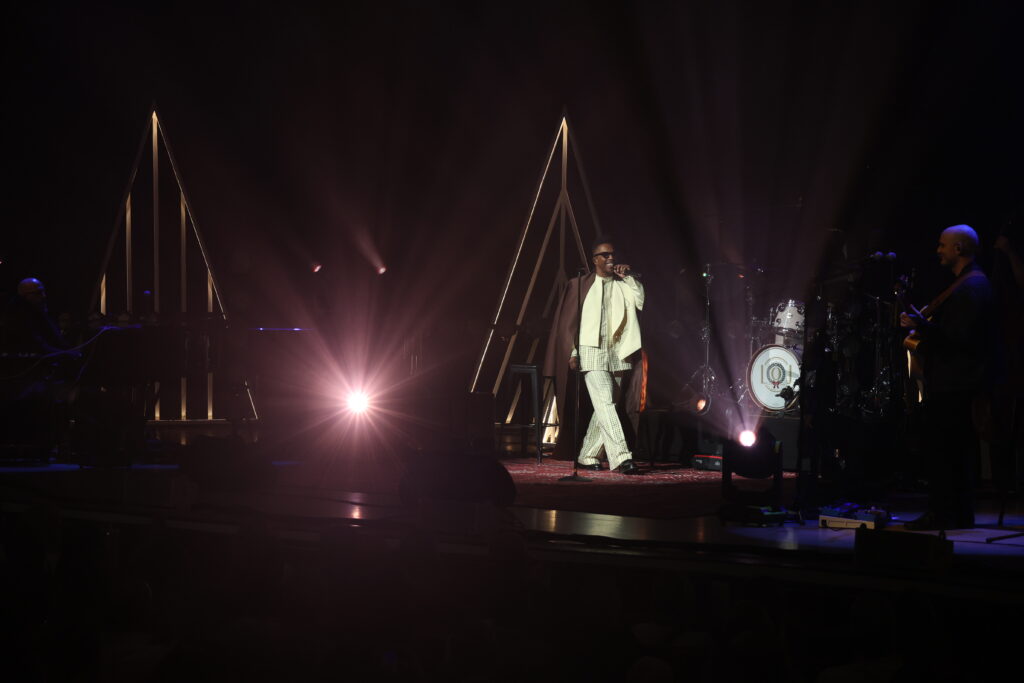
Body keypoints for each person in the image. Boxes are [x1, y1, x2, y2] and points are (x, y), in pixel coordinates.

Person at [900, 225, 996, 529]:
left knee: (945, 451)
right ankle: (958, 513)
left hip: (956, 383)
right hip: (958, 382)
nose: (938, 250)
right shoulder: (970, 283)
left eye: (943, 245)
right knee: (957, 451)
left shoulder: (970, 287)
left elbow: (957, 338)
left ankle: (943, 513)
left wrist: (921, 327)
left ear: (958, 249)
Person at [543, 237, 644, 474]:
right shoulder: (579, 285)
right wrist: (572, 351)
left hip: (618, 351)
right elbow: (568, 324)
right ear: (594, 260)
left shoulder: (623, 284)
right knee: (606, 401)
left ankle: (587, 455)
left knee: (605, 405)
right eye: (605, 255)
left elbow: (640, 301)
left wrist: (629, 277)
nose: (611, 258)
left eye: (612, 254)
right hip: (590, 350)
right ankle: (622, 456)